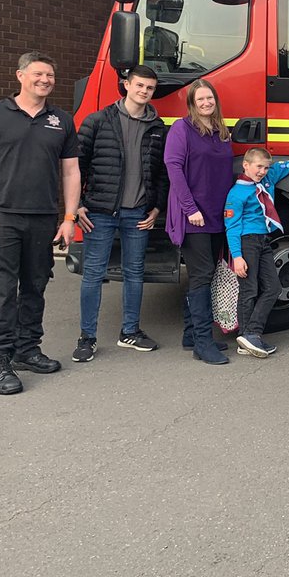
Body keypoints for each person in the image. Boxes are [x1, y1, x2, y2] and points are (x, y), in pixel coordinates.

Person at [0, 51, 80, 395]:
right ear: (20, 76)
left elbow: (71, 171)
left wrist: (69, 217)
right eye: (38, 74)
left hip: (43, 218)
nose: (45, 81)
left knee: (35, 285)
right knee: (0, 290)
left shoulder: (61, 120)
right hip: (1, 217)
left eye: (50, 76)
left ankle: (26, 349)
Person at [72, 65, 168, 363]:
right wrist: (75, 205)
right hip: (99, 212)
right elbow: (75, 166)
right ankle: (87, 338)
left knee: (134, 273)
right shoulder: (98, 121)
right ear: (126, 85)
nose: (144, 92)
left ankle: (130, 332)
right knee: (93, 274)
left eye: (150, 88)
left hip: (138, 212)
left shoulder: (157, 126)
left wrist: (157, 206)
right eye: (139, 85)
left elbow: (162, 173)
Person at [224, 147, 289, 357]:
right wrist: (237, 257)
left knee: (273, 288)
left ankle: (250, 335)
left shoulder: (268, 180)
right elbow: (232, 227)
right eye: (259, 167)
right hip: (246, 242)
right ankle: (248, 336)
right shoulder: (237, 193)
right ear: (246, 165)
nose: (262, 171)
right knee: (249, 290)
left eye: (266, 167)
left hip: (265, 241)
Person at [165, 79, 235, 365]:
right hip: (193, 214)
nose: (206, 103)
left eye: (210, 99)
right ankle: (203, 343)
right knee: (202, 275)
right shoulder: (182, 129)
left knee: (205, 273)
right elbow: (173, 167)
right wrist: (189, 207)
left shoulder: (221, 131)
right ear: (192, 104)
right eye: (200, 99)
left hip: (217, 214)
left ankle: (191, 333)